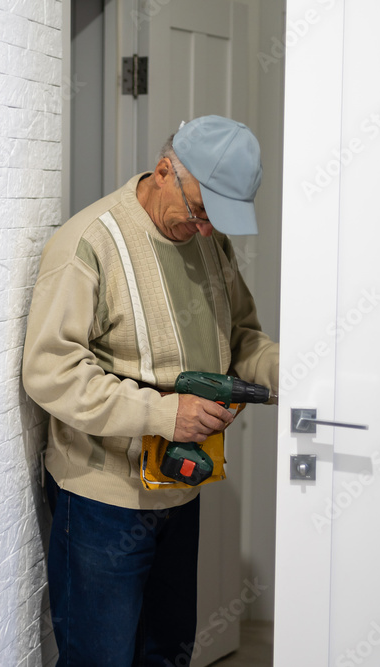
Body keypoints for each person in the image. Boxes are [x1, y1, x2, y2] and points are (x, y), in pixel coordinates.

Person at [22, 115, 279, 666]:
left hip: (179, 489)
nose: (207, 230)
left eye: (218, 219)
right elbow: (52, 371)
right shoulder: (89, 244)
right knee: (101, 658)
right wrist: (165, 415)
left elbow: (242, 336)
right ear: (165, 172)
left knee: (167, 653)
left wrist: (291, 372)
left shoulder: (211, 244)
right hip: (101, 500)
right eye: (201, 211)